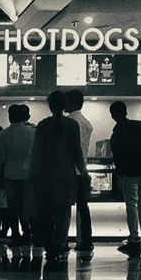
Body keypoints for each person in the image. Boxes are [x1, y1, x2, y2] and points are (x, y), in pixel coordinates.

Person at [29, 91, 88, 263]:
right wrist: (83, 172)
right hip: (65, 175)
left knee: (45, 212)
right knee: (63, 212)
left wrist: (33, 175)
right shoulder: (72, 125)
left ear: (50, 105)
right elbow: (77, 152)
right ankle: (60, 242)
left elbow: (37, 153)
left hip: (45, 176)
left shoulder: (43, 125)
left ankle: (49, 244)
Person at [108, 101, 141, 256]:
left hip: (130, 173)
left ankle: (134, 239)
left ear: (113, 115)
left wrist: (120, 171)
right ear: (126, 111)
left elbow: (117, 155)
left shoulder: (117, 132)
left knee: (132, 205)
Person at [0, 104, 35, 245]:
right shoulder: (32, 133)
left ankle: (15, 234)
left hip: (10, 175)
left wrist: (0, 179)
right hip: (28, 175)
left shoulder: (5, 134)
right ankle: (27, 232)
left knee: (12, 207)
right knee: (26, 206)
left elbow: (1, 158)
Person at [64, 89, 94, 258]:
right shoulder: (87, 123)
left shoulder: (69, 122)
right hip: (83, 169)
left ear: (73, 102)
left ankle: (63, 239)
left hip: (68, 170)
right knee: (83, 207)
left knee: (64, 206)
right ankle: (86, 239)